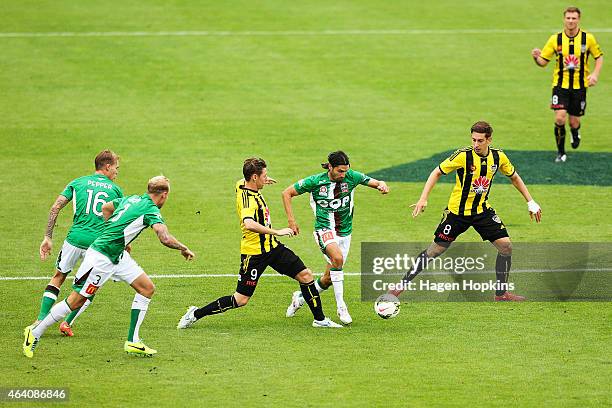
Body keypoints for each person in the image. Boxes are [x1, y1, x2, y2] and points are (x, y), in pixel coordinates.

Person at [23, 176, 195, 358]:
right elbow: (164, 237)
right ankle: (35, 332)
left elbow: (106, 207)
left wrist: (114, 233)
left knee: (147, 289)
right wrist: (183, 248)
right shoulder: (150, 209)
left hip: (117, 255)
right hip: (100, 258)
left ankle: (133, 341)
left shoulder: (132, 199)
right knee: (76, 301)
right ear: (164, 195)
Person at [177, 158, 342, 329]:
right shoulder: (249, 201)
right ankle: (195, 314)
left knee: (305, 275)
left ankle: (320, 319)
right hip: (254, 254)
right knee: (240, 300)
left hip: (273, 248)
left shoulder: (241, 184)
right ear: (254, 177)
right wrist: (277, 231)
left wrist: (262, 181)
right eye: (264, 175)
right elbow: (248, 223)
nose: (267, 178)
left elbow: (243, 180)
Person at [390, 121, 542, 301]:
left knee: (506, 246)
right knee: (434, 251)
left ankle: (501, 293)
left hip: (482, 212)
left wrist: (530, 201)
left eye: (480, 141)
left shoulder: (499, 157)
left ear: (489, 140)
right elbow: (436, 172)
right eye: (473, 140)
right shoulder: (463, 156)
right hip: (456, 214)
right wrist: (423, 198)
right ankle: (400, 286)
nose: (476, 145)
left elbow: (514, 177)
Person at [282, 151, 389, 324]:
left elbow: (374, 182)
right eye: (340, 171)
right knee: (337, 259)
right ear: (330, 167)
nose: (343, 174)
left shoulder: (351, 177)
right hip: (324, 229)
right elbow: (287, 193)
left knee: (328, 278)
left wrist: (382, 185)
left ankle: (300, 298)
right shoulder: (316, 182)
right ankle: (341, 307)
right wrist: (291, 221)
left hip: (345, 233)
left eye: (346, 171)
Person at [33, 150, 123, 337]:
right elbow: (118, 221)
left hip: (74, 240)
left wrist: (48, 237)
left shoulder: (77, 182)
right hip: (97, 246)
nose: (117, 172)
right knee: (89, 287)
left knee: (58, 276)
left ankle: (41, 319)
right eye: (116, 167)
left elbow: (56, 207)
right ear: (107, 166)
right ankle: (66, 322)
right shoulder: (115, 190)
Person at [531, 6, 604, 162]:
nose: (571, 21)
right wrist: (536, 57)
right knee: (559, 118)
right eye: (568, 18)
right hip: (560, 86)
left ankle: (575, 131)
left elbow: (599, 57)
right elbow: (543, 62)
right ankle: (561, 152)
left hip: (580, 87)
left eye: (574, 18)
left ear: (578, 20)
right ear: (564, 19)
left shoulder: (588, 38)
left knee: (574, 121)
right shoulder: (555, 39)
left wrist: (595, 75)